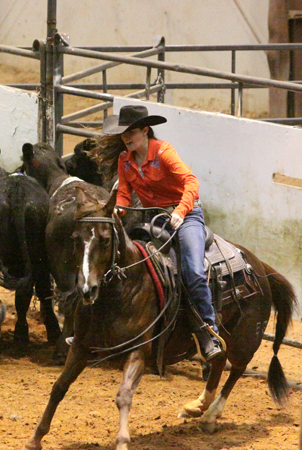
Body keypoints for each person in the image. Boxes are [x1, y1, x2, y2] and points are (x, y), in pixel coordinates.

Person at [100, 104, 223, 361]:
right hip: (154, 218)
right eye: (123, 132)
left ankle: (209, 334)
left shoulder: (164, 152)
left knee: (193, 271)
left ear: (145, 130)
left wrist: (180, 210)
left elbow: (191, 181)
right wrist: (117, 211)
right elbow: (124, 193)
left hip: (185, 216)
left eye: (131, 131)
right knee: (121, 260)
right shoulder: (125, 160)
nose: (126, 137)